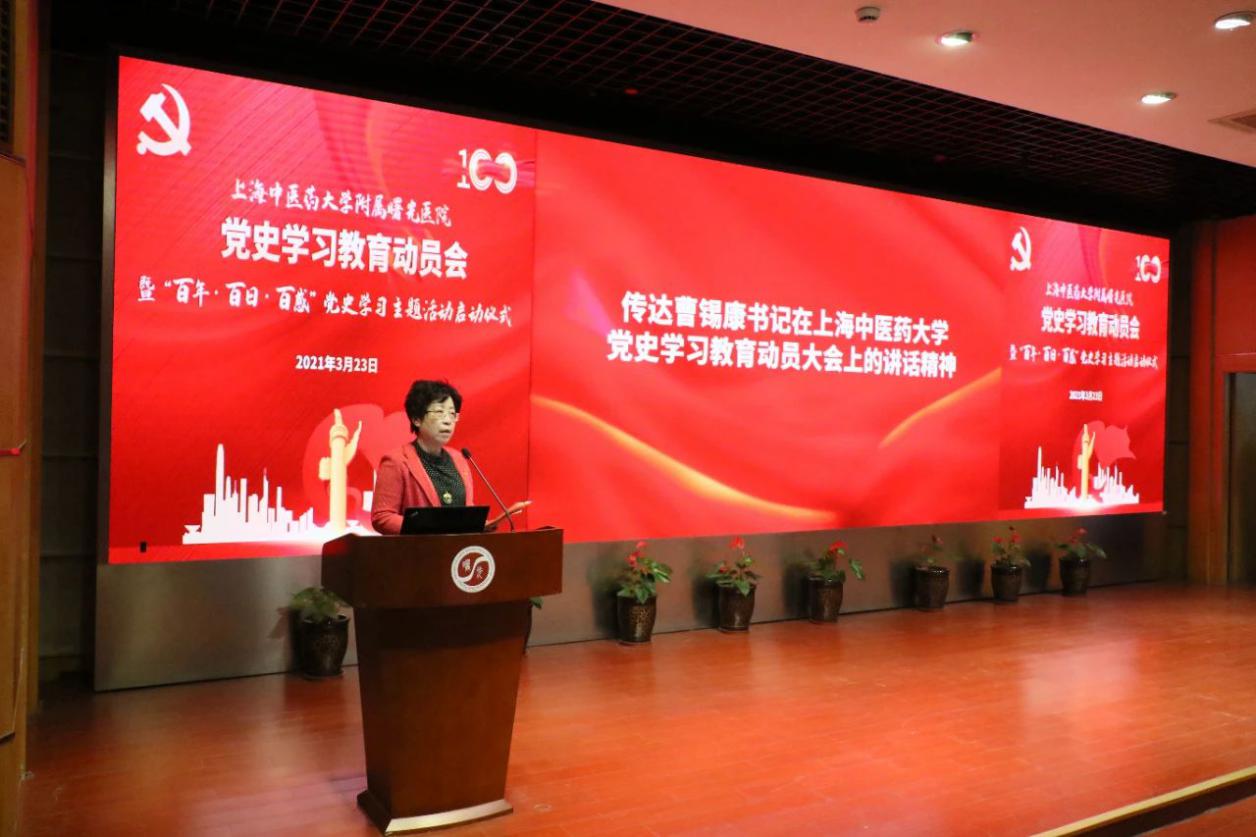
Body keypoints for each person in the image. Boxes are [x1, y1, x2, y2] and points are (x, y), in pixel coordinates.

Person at [371, 379, 529, 534]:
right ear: (416, 419)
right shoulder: (396, 461)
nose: (448, 421)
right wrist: (431, 527)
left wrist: (483, 524)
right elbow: (382, 517)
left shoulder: (459, 459)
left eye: (452, 414)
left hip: (459, 550)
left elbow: (464, 514)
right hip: (419, 549)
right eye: (439, 412)